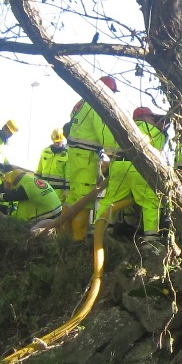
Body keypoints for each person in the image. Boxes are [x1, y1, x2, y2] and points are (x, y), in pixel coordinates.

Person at [98, 106, 168, 238]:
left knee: (110, 200)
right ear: (146, 117)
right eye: (151, 117)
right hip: (139, 166)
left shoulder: (123, 126)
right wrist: (163, 132)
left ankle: (101, 231)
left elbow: (110, 148)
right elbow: (160, 147)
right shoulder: (152, 129)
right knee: (149, 201)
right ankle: (151, 238)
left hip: (118, 165)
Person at [66, 76, 120, 241]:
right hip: (86, 157)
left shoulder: (82, 102)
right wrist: (114, 154)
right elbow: (104, 132)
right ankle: (77, 239)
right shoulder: (97, 104)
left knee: (74, 197)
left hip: (76, 155)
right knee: (84, 198)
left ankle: (64, 234)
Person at [0, 168, 64, 227]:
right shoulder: (33, 181)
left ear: (13, 182)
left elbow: (9, 197)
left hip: (47, 219)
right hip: (58, 214)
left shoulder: (26, 188)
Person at [37, 128, 69, 197]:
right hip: (43, 188)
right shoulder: (45, 151)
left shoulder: (67, 155)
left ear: (63, 140)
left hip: (58, 192)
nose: (56, 143)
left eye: (59, 141)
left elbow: (68, 175)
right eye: (55, 141)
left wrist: (67, 190)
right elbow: (39, 170)